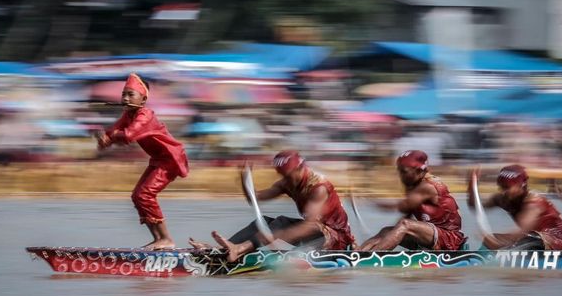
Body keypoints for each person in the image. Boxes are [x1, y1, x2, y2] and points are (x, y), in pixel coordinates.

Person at [189, 150, 355, 262]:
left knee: (279, 223)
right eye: (282, 176)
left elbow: (310, 225)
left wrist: (277, 235)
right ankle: (224, 249)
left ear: (300, 169)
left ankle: (240, 249)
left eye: (288, 176)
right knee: (263, 221)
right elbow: (256, 198)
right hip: (315, 232)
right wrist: (245, 179)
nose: (286, 180)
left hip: (335, 240)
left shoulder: (318, 188)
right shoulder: (287, 182)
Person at [96, 73, 188, 250]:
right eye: (124, 94)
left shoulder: (145, 115)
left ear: (143, 99)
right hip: (158, 160)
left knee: (145, 195)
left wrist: (111, 137)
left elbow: (129, 135)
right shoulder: (128, 114)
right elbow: (113, 131)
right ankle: (159, 240)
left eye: (131, 94)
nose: (125, 98)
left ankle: (166, 239)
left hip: (170, 159)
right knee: (137, 196)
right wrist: (103, 138)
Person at [358, 150, 466, 251]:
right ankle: (357, 254)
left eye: (404, 171)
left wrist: (367, 201)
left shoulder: (427, 186)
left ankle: (373, 256)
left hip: (449, 240)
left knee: (405, 224)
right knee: (386, 231)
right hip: (429, 236)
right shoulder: (413, 186)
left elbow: (400, 207)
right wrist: (393, 234)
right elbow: (407, 215)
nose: (400, 175)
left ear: (419, 171)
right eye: (399, 170)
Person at [467, 165, 562, 250]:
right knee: (495, 237)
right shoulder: (502, 199)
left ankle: (500, 251)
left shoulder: (535, 201)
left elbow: (520, 232)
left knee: (529, 238)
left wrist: (494, 243)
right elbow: (475, 206)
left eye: (507, 187)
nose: (504, 191)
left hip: (557, 242)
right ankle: (481, 259)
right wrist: (472, 184)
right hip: (530, 240)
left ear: (521, 185)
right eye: (501, 187)